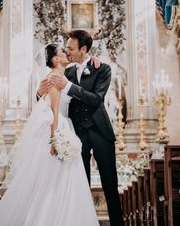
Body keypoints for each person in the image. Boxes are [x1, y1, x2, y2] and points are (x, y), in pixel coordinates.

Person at [0, 44, 99, 226]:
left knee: (61, 179)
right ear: (55, 59)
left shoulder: (62, 75)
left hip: (63, 127)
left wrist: (92, 59)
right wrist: (54, 140)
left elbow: (81, 66)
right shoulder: (53, 78)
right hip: (58, 128)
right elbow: (53, 110)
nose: (66, 53)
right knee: (55, 180)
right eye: (63, 51)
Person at [40, 29, 124, 226]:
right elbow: (48, 94)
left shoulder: (102, 69)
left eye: (70, 48)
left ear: (83, 49)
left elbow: (96, 99)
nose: (67, 51)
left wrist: (69, 86)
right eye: (66, 48)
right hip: (77, 133)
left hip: (100, 130)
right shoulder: (66, 71)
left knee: (110, 183)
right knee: (81, 183)